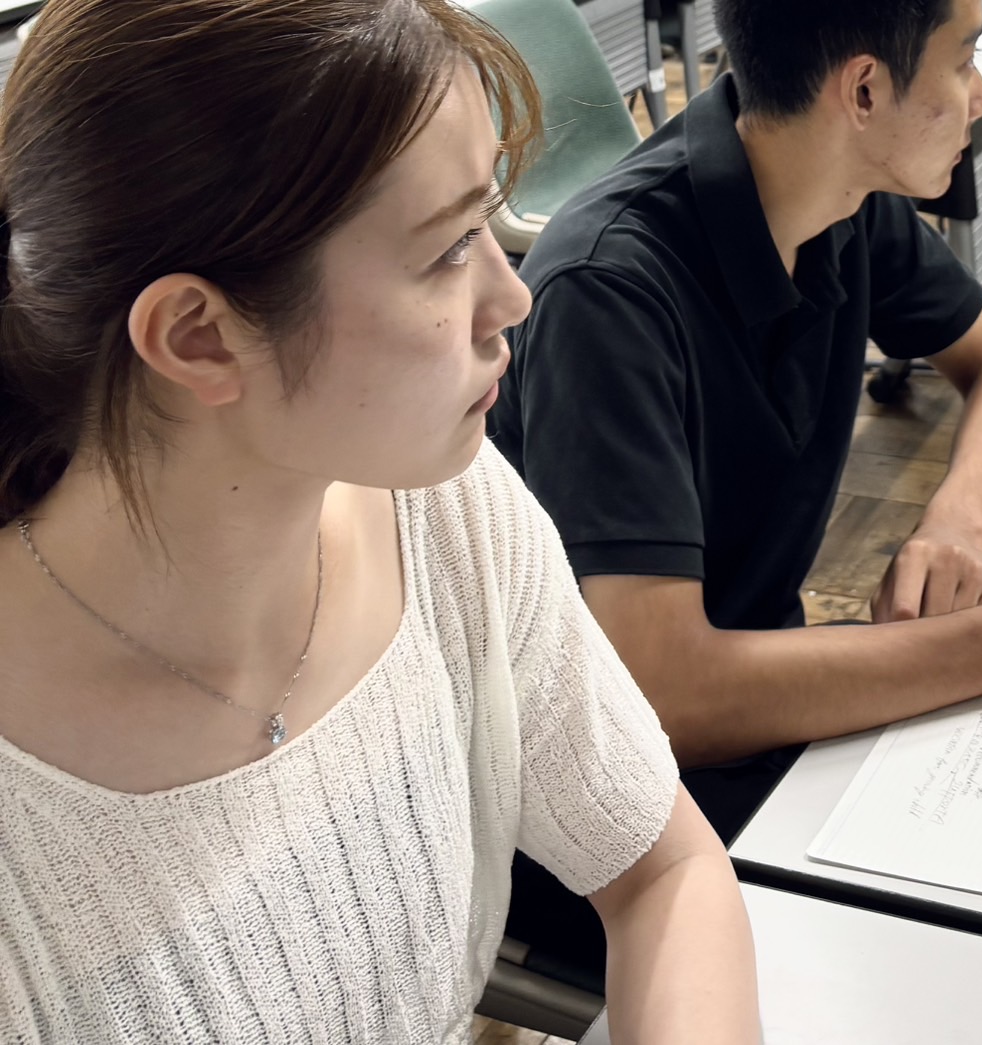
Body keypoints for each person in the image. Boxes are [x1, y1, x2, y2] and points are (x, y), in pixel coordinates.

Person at [0, 2, 758, 1042]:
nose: (512, 297)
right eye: (450, 249)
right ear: (199, 336)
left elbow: (662, 864)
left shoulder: (447, 514)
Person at [490, 0, 982, 987]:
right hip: (606, 817)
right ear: (865, 90)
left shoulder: (837, 192)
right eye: (963, 62)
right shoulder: (609, 289)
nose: (981, 95)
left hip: (758, 716)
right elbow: (666, 692)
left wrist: (955, 528)